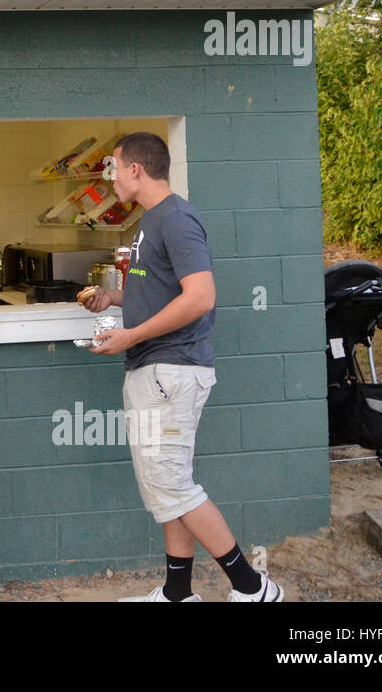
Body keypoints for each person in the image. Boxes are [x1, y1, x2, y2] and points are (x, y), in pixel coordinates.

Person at [83, 132, 284, 602]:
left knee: (171, 485)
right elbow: (163, 290)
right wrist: (113, 298)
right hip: (159, 372)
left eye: (114, 167)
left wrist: (131, 335)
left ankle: (253, 587)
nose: (111, 178)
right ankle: (178, 594)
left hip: (169, 374)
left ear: (136, 169)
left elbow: (200, 297)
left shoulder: (176, 218)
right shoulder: (151, 220)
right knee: (169, 484)